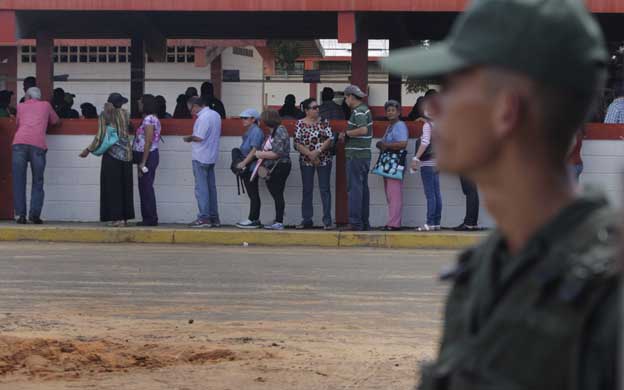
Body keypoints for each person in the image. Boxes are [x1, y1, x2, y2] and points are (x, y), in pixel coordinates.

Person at [383, 0, 620, 388]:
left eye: (450, 88)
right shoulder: (484, 269)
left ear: (505, 111)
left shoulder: (609, 294)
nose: (434, 108)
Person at [79, 94, 134, 226]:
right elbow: (129, 130)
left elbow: (101, 135)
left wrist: (88, 149)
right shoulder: (126, 113)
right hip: (127, 155)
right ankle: (125, 218)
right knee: (125, 187)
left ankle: (116, 218)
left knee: (112, 187)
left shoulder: (105, 115)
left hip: (112, 155)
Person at [12, 87, 60, 224]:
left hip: (19, 143)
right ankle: (34, 215)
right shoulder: (46, 105)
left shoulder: (20, 106)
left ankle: (20, 215)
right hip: (38, 145)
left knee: (19, 181)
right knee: (37, 181)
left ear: (27, 96)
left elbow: (18, 123)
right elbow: (56, 121)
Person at [294, 98, 334, 230]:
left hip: (324, 159)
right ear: (306, 110)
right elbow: (297, 143)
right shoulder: (299, 123)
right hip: (306, 160)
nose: (317, 109)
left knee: (325, 189)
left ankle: (327, 221)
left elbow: (329, 139)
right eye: (314, 107)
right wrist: (310, 154)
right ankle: (307, 219)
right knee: (307, 189)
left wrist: (318, 152)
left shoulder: (324, 122)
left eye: (318, 107)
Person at [184, 96, 222, 228]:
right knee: (211, 188)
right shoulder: (215, 115)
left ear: (195, 106)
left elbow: (199, 137)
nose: (190, 112)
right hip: (212, 156)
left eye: (190, 109)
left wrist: (189, 138)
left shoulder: (203, 118)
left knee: (201, 189)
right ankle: (214, 217)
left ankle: (204, 218)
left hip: (200, 156)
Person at [340, 85, 372, 231]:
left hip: (356, 156)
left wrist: (346, 134)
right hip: (364, 155)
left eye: (345, 97)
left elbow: (363, 129)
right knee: (362, 190)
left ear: (351, 97)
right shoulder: (365, 110)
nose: (345, 100)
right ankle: (364, 222)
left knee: (354, 190)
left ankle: (355, 223)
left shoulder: (358, 112)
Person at [255, 110, 292, 230]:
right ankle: (278, 218)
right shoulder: (274, 131)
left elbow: (277, 153)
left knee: (277, 193)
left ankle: (279, 221)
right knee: (277, 193)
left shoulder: (279, 130)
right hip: (277, 166)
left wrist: (260, 154)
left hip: (280, 166)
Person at [411, 95, 442, 231]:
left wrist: (416, 158)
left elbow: (425, 143)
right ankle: (436, 222)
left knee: (430, 194)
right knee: (436, 193)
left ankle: (429, 223)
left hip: (427, 163)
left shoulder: (427, 125)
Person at [377, 100, 408, 231]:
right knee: (390, 194)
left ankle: (394, 224)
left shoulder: (400, 125)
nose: (390, 112)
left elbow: (403, 143)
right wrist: (381, 144)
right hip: (388, 163)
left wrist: (386, 145)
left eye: (393, 110)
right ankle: (392, 221)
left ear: (399, 112)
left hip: (395, 162)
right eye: (388, 110)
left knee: (394, 194)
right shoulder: (390, 126)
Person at [132, 94, 161, 226]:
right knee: (144, 186)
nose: (139, 104)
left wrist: (143, 161)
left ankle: (150, 218)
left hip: (147, 157)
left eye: (141, 102)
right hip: (148, 156)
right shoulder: (151, 118)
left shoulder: (149, 119)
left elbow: (148, 141)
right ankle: (148, 217)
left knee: (146, 187)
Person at [235, 109, 265, 229]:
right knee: (252, 193)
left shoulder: (256, 131)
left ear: (254, 119)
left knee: (253, 193)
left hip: (251, 166)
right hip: (248, 165)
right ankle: (253, 218)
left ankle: (253, 219)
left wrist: (243, 163)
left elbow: (254, 150)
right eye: (242, 118)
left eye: (246, 118)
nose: (243, 120)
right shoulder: (250, 131)